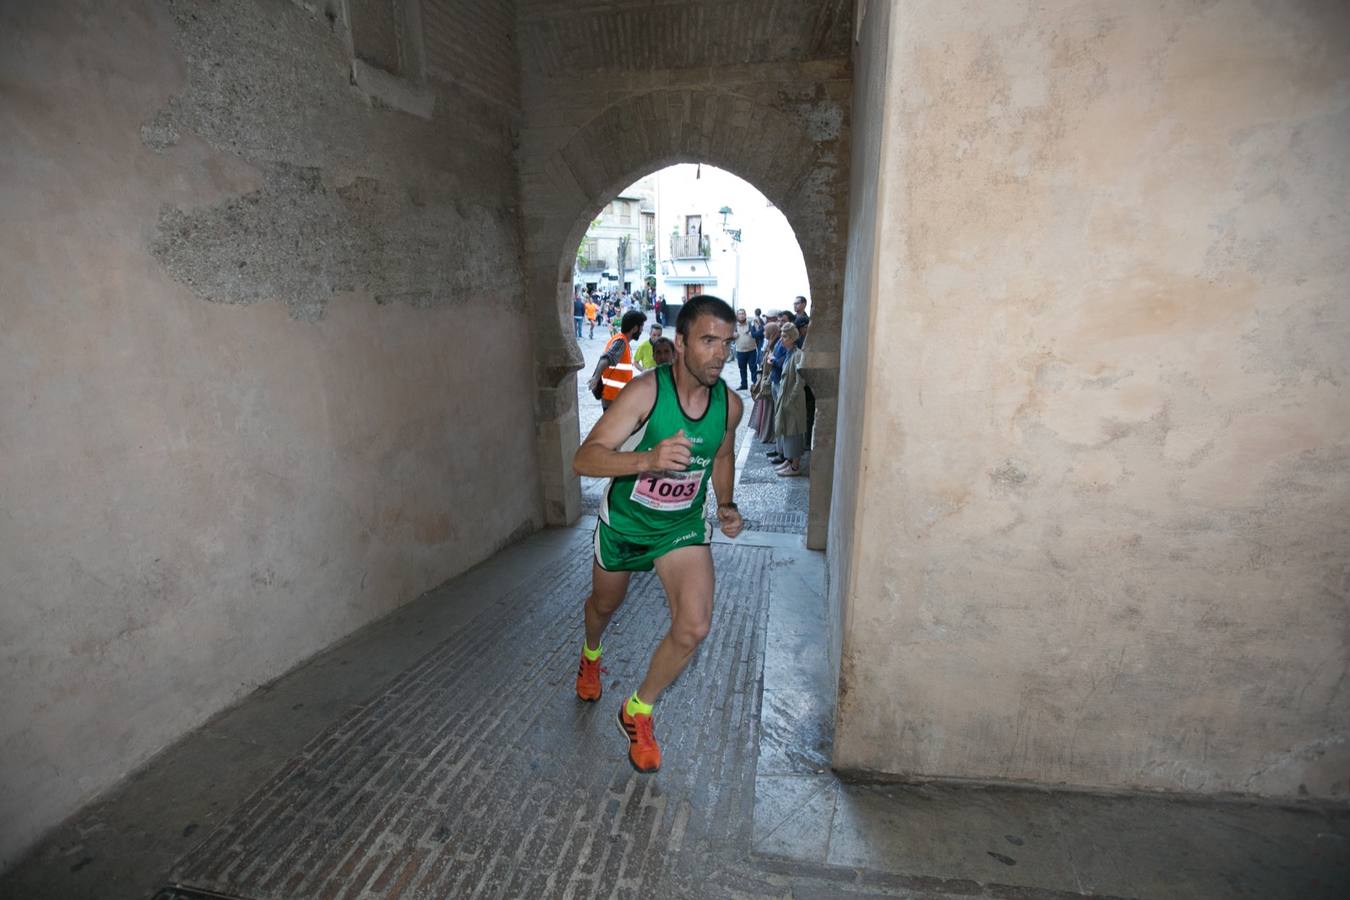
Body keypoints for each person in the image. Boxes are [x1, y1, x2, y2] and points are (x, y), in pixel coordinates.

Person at [572, 296, 744, 774]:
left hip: (679, 528)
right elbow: (585, 459)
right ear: (682, 341)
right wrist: (647, 460)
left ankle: (638, 709)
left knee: (694, 625)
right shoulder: (646, 392)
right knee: (604, 607)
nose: (719, 354)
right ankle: (591, 655)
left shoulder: (730, 405)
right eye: (709, 341)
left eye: (726, 343)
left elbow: (723, 456)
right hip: (626, 525)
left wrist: (725, 506)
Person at [586, 310, 646, 410]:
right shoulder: (621, 342)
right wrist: (596, 378)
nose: (642, 330)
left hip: (616, 398)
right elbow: (605, 359)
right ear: (635, 328)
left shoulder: (621, 340)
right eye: (641, 327)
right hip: (612, 398)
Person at [769, 324, 807, 476]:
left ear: (792, 338)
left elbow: (800, 380)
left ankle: (795, 465)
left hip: (794, 401)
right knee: (787, 430)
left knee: (794, 431)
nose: (782, 339)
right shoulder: (789, 353)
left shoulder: (797, 354)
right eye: (782, 336)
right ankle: (789, 460)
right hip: (786, 399)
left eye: (785, 337)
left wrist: (791, 399)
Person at [732, 309, 759, 391]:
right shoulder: (734, 325)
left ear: (745, 314)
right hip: (740, 351)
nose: (741, 315)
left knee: (753, 368)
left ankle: (755, 384)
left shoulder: (751, 323)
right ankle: (744, 384)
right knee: (742, 369)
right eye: (740, 314)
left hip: (752, 350)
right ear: (737, 316)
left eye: (743, 313)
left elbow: (758, 332)